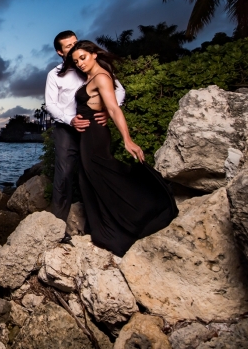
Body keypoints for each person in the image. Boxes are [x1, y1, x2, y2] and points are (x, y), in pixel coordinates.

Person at [59, 40, 177, 256]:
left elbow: (113, 108)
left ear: (94, 54)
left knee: (105, 175)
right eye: (76, 61)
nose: (80, 64)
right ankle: (103, 229)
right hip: (87, 135)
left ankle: (141, 214)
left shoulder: (102, 77)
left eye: (83, 58)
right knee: (88, 180)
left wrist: (127, 139)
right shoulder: (91, 77)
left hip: (95, 135)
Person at [44, 31, 125, 239]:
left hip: (92, 129)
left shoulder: (89, 66)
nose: (74, 48)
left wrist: (107, 110)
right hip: (67, 129)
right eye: (68, 46)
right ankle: (58, 229)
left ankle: (96, 225)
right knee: (63, 176)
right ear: (60, 52)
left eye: (75, 43)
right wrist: (69, 119)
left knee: (92, 175)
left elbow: (119, 91)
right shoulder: (55, 74)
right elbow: (51, 104)